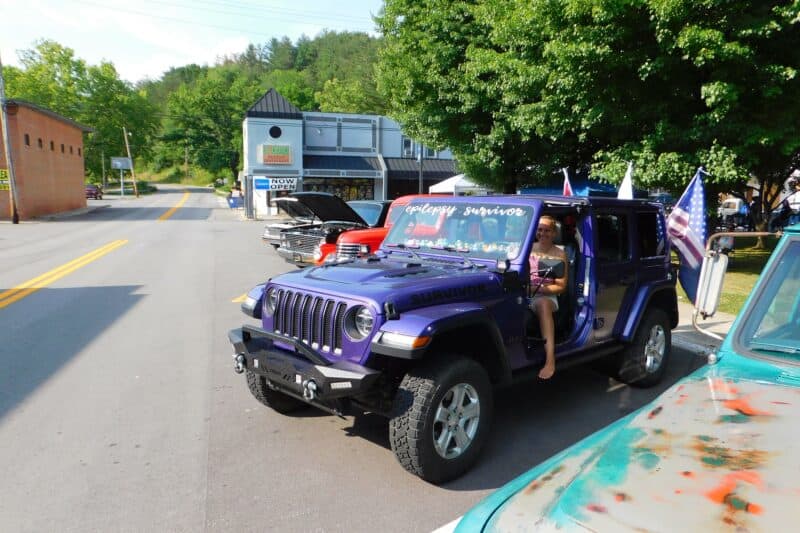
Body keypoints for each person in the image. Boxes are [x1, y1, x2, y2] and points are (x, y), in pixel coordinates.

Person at [529, 215, 568, 380]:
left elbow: (561, 286)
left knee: (543, 304)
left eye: (547, 230)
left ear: (553, 233)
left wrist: (539, 289)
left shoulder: (559, 254)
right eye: (539, 229)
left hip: (547, 296)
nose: (542, 233)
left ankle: (550, 359)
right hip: (523, 293)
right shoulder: (528, 248)